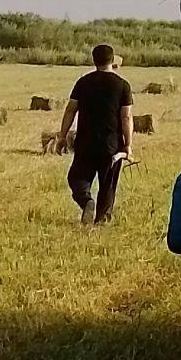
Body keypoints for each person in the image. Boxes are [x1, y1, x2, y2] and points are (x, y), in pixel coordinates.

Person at [57, 44, 134, 225]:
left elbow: (70, 110)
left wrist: (62, 136)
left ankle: (86, 201)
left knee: (77, 178)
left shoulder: (83, 82)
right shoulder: (122, 85)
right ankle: (102, 221)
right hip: (111, 145)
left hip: (85, 142)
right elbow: (126, 116)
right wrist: (128, 145)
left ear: (94, 60)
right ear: (113, 60)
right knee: (107, 185)